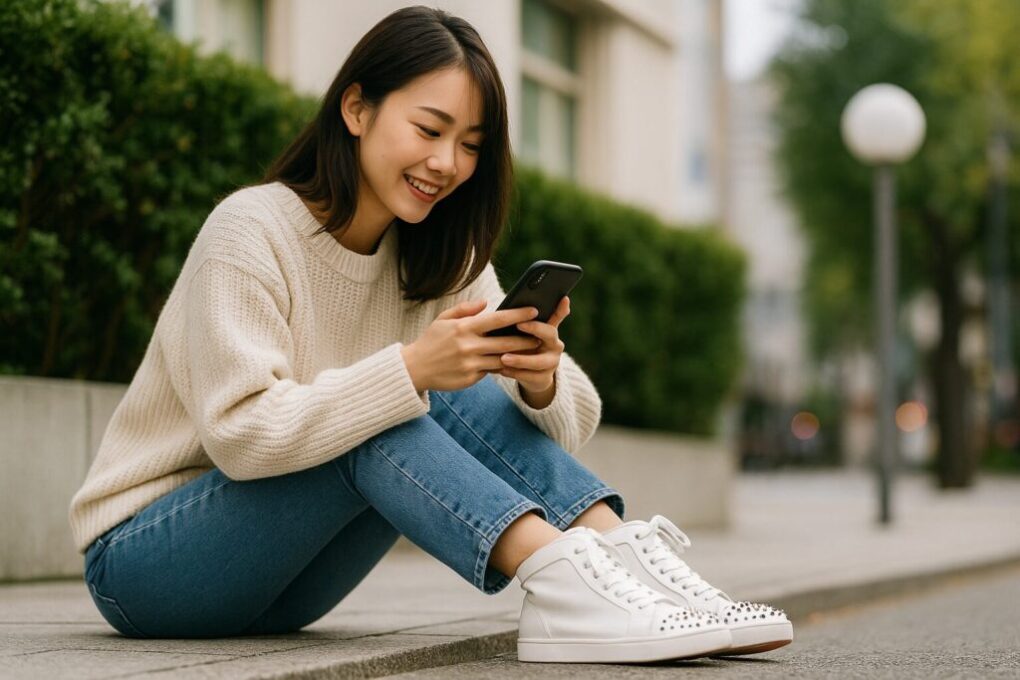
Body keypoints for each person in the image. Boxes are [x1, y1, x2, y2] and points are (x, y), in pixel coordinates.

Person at [68, 5, 791, 664]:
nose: (447, 164)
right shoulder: (250, 231)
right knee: (389, 404)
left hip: (289, 585)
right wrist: (412, 370)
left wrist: (540, 377)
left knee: (434, 391)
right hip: (147, 565)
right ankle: (567, 587)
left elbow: (562, 428)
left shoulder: (437, 255)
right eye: (429, 129)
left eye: (470, 144)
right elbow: (243, 435)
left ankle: (628, 565)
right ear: (356, 108)